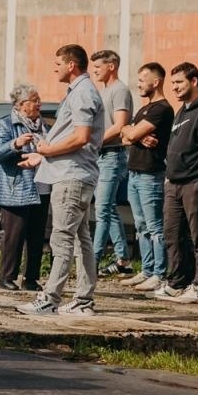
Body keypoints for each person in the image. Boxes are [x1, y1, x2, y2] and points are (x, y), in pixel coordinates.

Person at [16, 44, 105, 316]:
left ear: (71, 65)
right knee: (81, 239)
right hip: (74, 174)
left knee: (62, 238)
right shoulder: (79, 92)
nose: (54, 68)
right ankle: (83, 301)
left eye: (58, 63)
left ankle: (50, 298)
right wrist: (41, 158)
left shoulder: (82, 93)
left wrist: (46, 150)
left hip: (72, 177)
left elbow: (81, 137)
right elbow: (70, 135)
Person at [153, 62, 198, 303]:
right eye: (172, 83)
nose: (173, 87)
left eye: (178, 82)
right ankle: (177, 283)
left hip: (195, 183)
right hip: (173, 183)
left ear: (194, 81)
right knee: (172, 235)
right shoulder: (182, 111)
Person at [0, 84, 48, 292]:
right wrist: (15, 144)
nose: (39, 103)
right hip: (15, 189)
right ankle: (6, 277)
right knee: (14, 236)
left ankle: (31, 278)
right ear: (22, 104)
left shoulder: (43, 126)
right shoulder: (5, 125)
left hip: (41, 188)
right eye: (35, 99)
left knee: (37, 236)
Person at [120, 62, 174, 292]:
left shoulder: (161, 109)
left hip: (150, 174)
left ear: (156, 81)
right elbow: (124, 133)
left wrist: (133, 134)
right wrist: (136, 136)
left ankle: (159, 274)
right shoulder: (144, 108)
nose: (139, 84)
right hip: (134, 173)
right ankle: (147, 269)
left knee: (154, 226)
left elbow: (129, 132)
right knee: (140, 225)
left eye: (143, 80)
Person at [90, 50, 135, 277]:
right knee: (107, 208)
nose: (94, 70)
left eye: (98, 66)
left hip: (112, 155)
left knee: (102, 210)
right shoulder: (103, 91)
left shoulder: (120, 90)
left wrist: (93, 141)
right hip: (100, 155)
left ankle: (93, 262)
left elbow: (119, 126)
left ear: (111, 66)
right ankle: (123, 260)